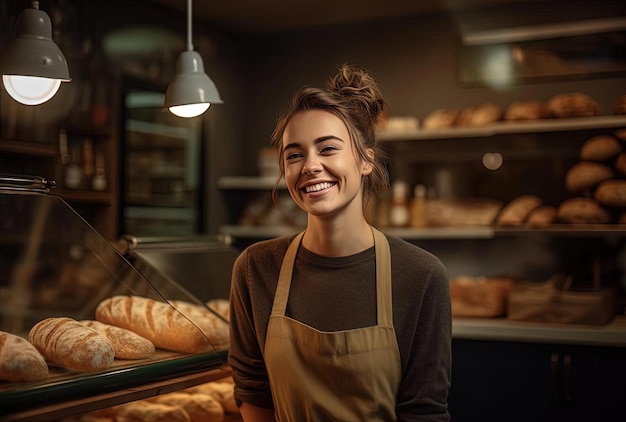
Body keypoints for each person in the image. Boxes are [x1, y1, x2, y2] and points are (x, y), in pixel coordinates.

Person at [228, 64, 451, 421]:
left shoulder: (421, 275)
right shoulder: (255, 268)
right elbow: (254, 390)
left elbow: (423, 411)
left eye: (328, 149)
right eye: (295, 155)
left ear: (365, 160)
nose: (310, 166)